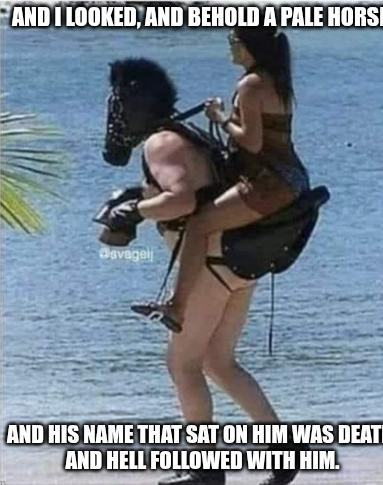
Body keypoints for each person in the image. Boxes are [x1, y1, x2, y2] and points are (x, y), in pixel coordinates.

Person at [99, 47, 309, 484]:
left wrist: (134, 211)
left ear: (130, 105)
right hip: (237, 265)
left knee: (182, 365)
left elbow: (181, 200)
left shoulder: (160, 142)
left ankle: (205, 469)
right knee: (218, 361)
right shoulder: (187, 134)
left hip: (209, 269)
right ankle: (284, 450)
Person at [133, 24, 310, 334]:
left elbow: (251, 143)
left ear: (249, 46)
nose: (230, 45)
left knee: (199, 224)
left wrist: (220, 118)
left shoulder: (251, 84)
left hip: (269, 183)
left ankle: (177, 307)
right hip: (290, 177)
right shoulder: (273, 79)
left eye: (233, 40)